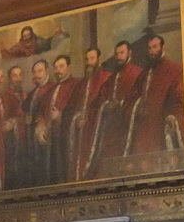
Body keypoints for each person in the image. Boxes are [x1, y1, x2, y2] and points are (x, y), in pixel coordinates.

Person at [121, 36, 184, 160]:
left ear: (162, 47)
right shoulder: (145, 73)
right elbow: (132, 96)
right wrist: (137, 106)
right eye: (149, 48)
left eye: (155, 47)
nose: (151, 51)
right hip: (143, 128)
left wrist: (173, 116)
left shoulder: (175, 69)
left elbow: (179, 99)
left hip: (160, 125)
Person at [90, 41, 144, 170]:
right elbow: (101, 96)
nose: (118, 56)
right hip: (111, 128)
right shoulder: (113, 77)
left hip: (128, 124)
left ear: (129, 53)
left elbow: (140, 97)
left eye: (121, 53)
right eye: (116, 54)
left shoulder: (138, 73)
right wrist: (106, 105)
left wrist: (121, 105)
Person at [66, 48, 112, 181]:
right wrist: (76, 118)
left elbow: (107, 105)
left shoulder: (107, 78)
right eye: (87, 59)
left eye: (92, 58)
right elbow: (72, 107)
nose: (89, 62)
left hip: (99, 131)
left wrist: (89, 118)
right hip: (81, 133)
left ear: (99, 60)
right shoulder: (81, 84)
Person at [43, 55, 79, 184]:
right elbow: (43, 111)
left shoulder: (77, 85)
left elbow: (78, 108)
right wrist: (41, 126)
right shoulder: (52, 89)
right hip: (51, 138)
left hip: (67, 135)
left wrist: (61, 115)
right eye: (56, 67)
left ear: (69, 67)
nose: (58, 70)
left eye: (61, 66)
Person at [20, 60, 55, 188]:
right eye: (34, 72)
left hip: (45, 137)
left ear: (47, 71)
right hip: (31, 139)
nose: (37, 75)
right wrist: (25, 118)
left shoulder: (52, 89)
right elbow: (25, 110)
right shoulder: (33, 93)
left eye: (40, 71)